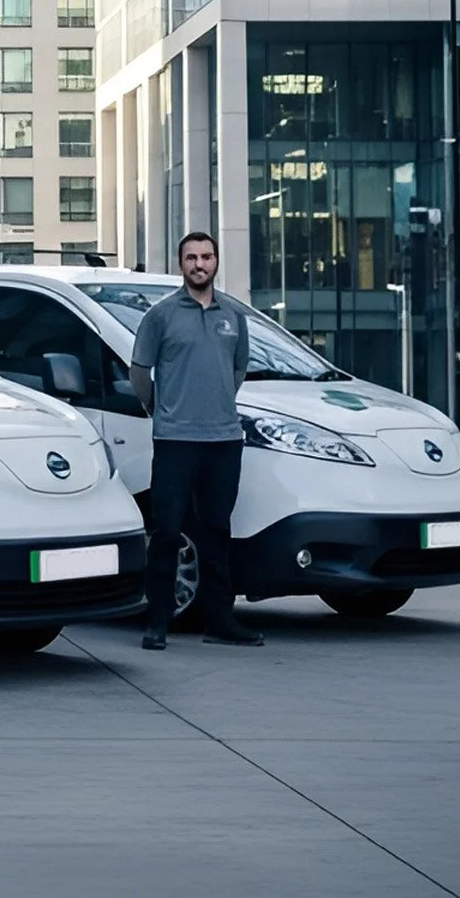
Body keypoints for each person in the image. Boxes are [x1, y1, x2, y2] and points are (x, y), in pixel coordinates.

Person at [130, 231, 264, 650]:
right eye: (191, 257)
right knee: (168, 531)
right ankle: (157, 622)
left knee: (217, 531)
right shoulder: (162, 315)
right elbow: (139, 372)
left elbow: (238, 370)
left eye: (206, 257)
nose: (199, 264)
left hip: (224, 440)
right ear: (180, 264)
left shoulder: (234, 316)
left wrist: (218, 404)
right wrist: (163, 410)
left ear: (216, 262)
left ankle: (220, 621)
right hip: (175, 440)